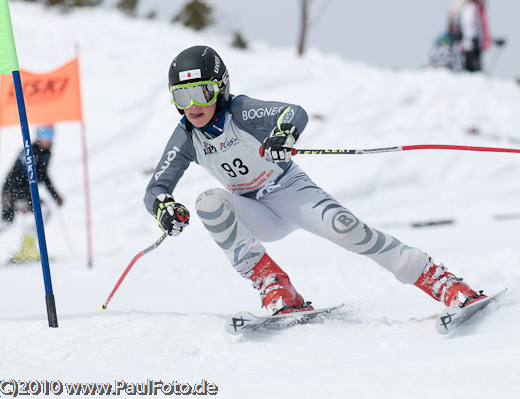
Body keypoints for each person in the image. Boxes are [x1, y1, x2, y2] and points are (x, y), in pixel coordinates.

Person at [144, 46, 488, 315]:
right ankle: (276, 286)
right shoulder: (186, 137)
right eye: (182, 96)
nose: (192, 106)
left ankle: (440, 281)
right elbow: (156, 189)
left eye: (201, 92)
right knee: (208, 202)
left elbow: (293, 113)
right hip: (253, 210)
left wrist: (283, 135)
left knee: (346, 228)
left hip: (289, 191)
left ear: (220, 88)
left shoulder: (240, 112)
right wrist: (165, 209)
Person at [0, 125, 64, 264]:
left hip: (24, 193)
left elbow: (44, 176)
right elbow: (19, 175)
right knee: (6, 222)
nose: (46, 139)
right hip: (12, 191)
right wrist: (20, 199)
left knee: (43, 211)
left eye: (49, 134)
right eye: (43, 133)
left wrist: (55, 196)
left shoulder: (46, 153)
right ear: (37, 135)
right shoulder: (30, 151)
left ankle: (27, 248)